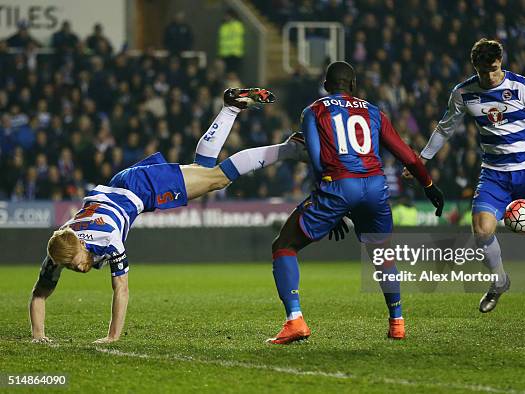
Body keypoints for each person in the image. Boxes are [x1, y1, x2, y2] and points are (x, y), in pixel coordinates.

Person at [29, 87, 307, 344]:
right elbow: (39, 293)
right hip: (124, 184)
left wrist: (112, 337)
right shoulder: (60, 250)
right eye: (70, 265)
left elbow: (121, 289)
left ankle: (289, 148)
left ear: (80, 244)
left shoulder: (107, 239)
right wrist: (38, 335)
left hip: (142, 189)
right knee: (202, 167)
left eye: (76, 261)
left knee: (217, 178)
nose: (77, 268)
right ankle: (231, 107)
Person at [261, 61, 444, 344]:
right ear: (354, 85)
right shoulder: (374, 112)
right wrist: (428, 185)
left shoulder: (313, 110)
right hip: (374, 185)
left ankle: (295, 320)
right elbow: (407, 155)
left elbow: (318, 158)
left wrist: (330, 207)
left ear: (325, 84)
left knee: (284, 245)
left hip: (338, 185)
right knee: (382, 254)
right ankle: (397, 322)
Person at [418, 39, 525, 322]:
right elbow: (445, 128)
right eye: (483, 72)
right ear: (475, 68)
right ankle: (500, 281)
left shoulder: (521, 87)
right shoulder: (464, 93)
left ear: (501, 63)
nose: (489, 77)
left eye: (493, 70)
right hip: (493, 174)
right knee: (481, 230)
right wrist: (421, 160)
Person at [217, 10, 245, 74]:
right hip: (224, 54)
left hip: (234, 53)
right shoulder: (223, 26)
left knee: (233, 73)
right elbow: (222, 40)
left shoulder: (237, 25)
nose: (225, 17)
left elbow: (236, 38)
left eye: (227, 15)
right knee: (225, 72)